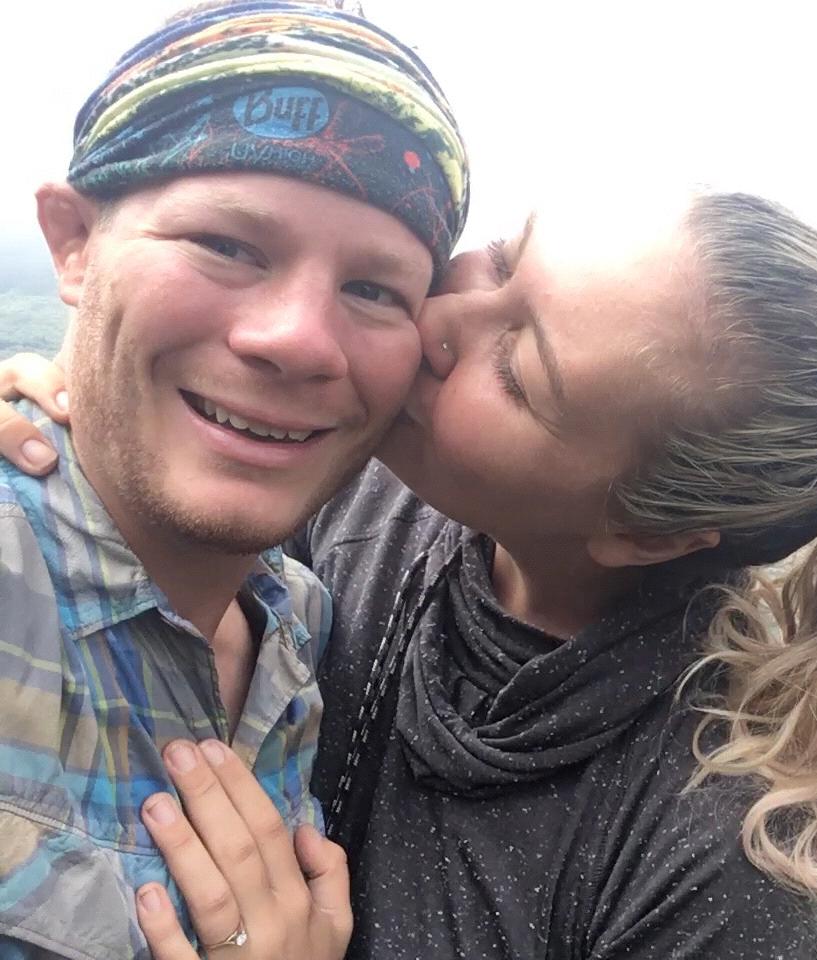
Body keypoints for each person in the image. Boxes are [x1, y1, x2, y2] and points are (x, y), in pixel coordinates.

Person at [2, 188, 817, 958]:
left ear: (646, 534)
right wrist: (73, 431)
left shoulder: (716, 865)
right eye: (506, 259)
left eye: (517, 373)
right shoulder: (370, 505)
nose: (438, 316)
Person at [0, 1, 467, 957]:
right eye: (227, 245)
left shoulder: (301, 631)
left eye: (374, 289)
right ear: (74, 241)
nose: (298, 339)